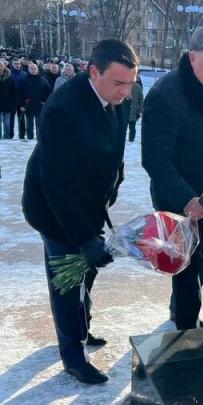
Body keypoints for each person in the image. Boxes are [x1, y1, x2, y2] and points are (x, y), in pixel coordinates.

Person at [22, 39, 138, 384]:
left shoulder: (116, 98)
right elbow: (57, 185)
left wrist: (115, 180)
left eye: (130, 83)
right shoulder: (62, 110)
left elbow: (115, 147)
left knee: (88, 272)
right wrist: (85, 238)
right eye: (118, 83)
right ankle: (73, 355)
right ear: (93, 72)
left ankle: (82, 327)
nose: (125, 92)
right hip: (54, 209)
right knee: (67, 281)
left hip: (90, 203)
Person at [142, 26, 203, 330]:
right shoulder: (166, 95)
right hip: (178, 197)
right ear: (192, 58)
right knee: (186, 264)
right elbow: (155, 159)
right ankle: (186, 331)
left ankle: (181, 310)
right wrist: (187, 200)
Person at [18, 62, 51, 140]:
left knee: (39, 123)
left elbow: (48, 92)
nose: (33, 70)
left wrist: (44, 101)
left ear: (37, 69)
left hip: (40, 105)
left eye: (35, 68)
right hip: (28, 105)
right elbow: (20, 93)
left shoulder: (43, 80)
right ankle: (30, 138)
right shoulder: (24, 80)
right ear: (28, 70)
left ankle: (39, 139)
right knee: (29, 124)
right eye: (31, 69)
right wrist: (21, 105)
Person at [9, 59, 26, 139]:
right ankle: (10, 135)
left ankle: (22, 135)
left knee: (21, 118)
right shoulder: (9, 74)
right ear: (12, 64)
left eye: (18, 63)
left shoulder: (24, 74)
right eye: (15, 64)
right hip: (11, 99)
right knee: (11, 118)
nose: (17, 65)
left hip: (21, 99)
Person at [0, 66, 15, 139]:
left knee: (7, 123)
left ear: (4, 67)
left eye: (1, 66)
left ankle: (6, 138)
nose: (0, 68)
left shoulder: (10, 77)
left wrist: (13, 104)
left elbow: (13, 91)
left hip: (8, 104)